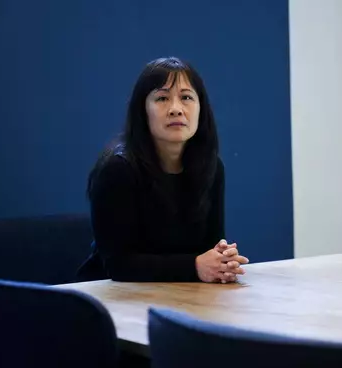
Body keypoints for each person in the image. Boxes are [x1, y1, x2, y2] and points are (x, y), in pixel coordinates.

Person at [76, 57, 248, 283]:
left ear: (201, 109)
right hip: (112, 299)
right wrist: (195, 266)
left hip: (179, 292)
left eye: (186, 97)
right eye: (162, 98)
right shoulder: (117, 170)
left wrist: (222, 260)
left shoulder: (211, 167)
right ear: (143, 111)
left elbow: (210, 247)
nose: (176, 109)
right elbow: (118, 265)